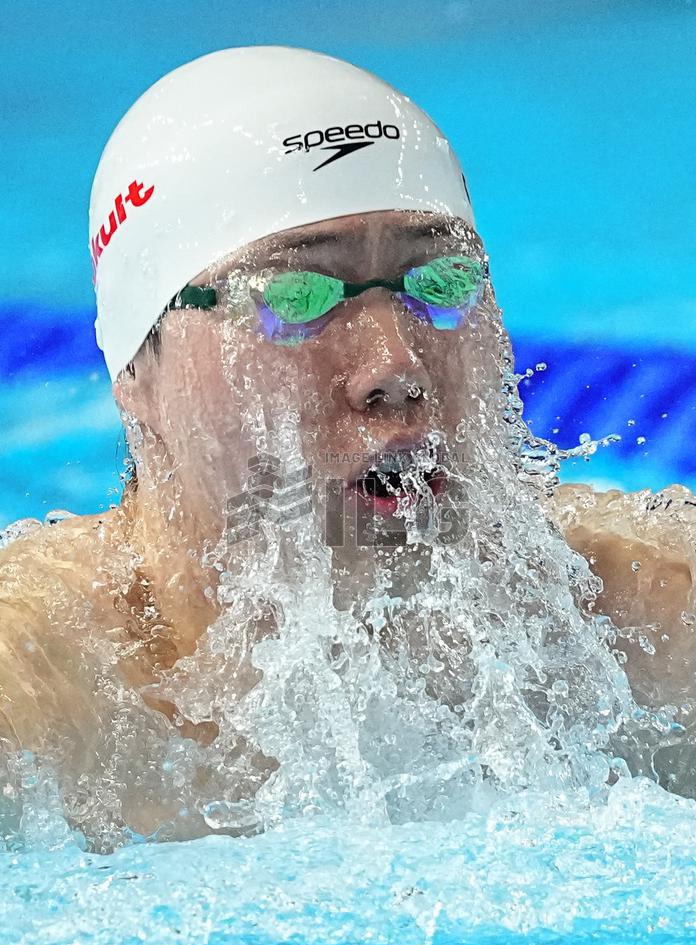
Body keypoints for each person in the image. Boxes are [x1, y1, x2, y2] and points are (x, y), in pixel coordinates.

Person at [1, 47, 694, 847]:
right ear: (137, 370)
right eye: (298, 299)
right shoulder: (41, 695)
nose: (396, 369)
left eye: (439, 283)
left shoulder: (641, 620)